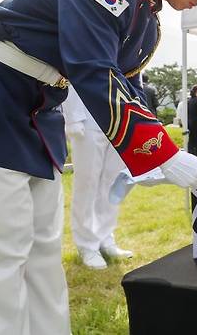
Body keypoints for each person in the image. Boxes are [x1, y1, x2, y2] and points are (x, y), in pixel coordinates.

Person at [0, 0, 197, 334]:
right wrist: (165, 153)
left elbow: (129, 89)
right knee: (1, 252)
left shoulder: (148, 22)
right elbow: (94, 70)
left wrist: (158, 160)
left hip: (41, 109)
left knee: (43, 249)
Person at [62, 86, 132, 270]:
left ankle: (105, 238)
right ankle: (87, 244)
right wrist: (73, 117)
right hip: (88, 116)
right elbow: (73, 71)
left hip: (118, 116)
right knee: (87, 183)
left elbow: (132, 76)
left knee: (112, 182)